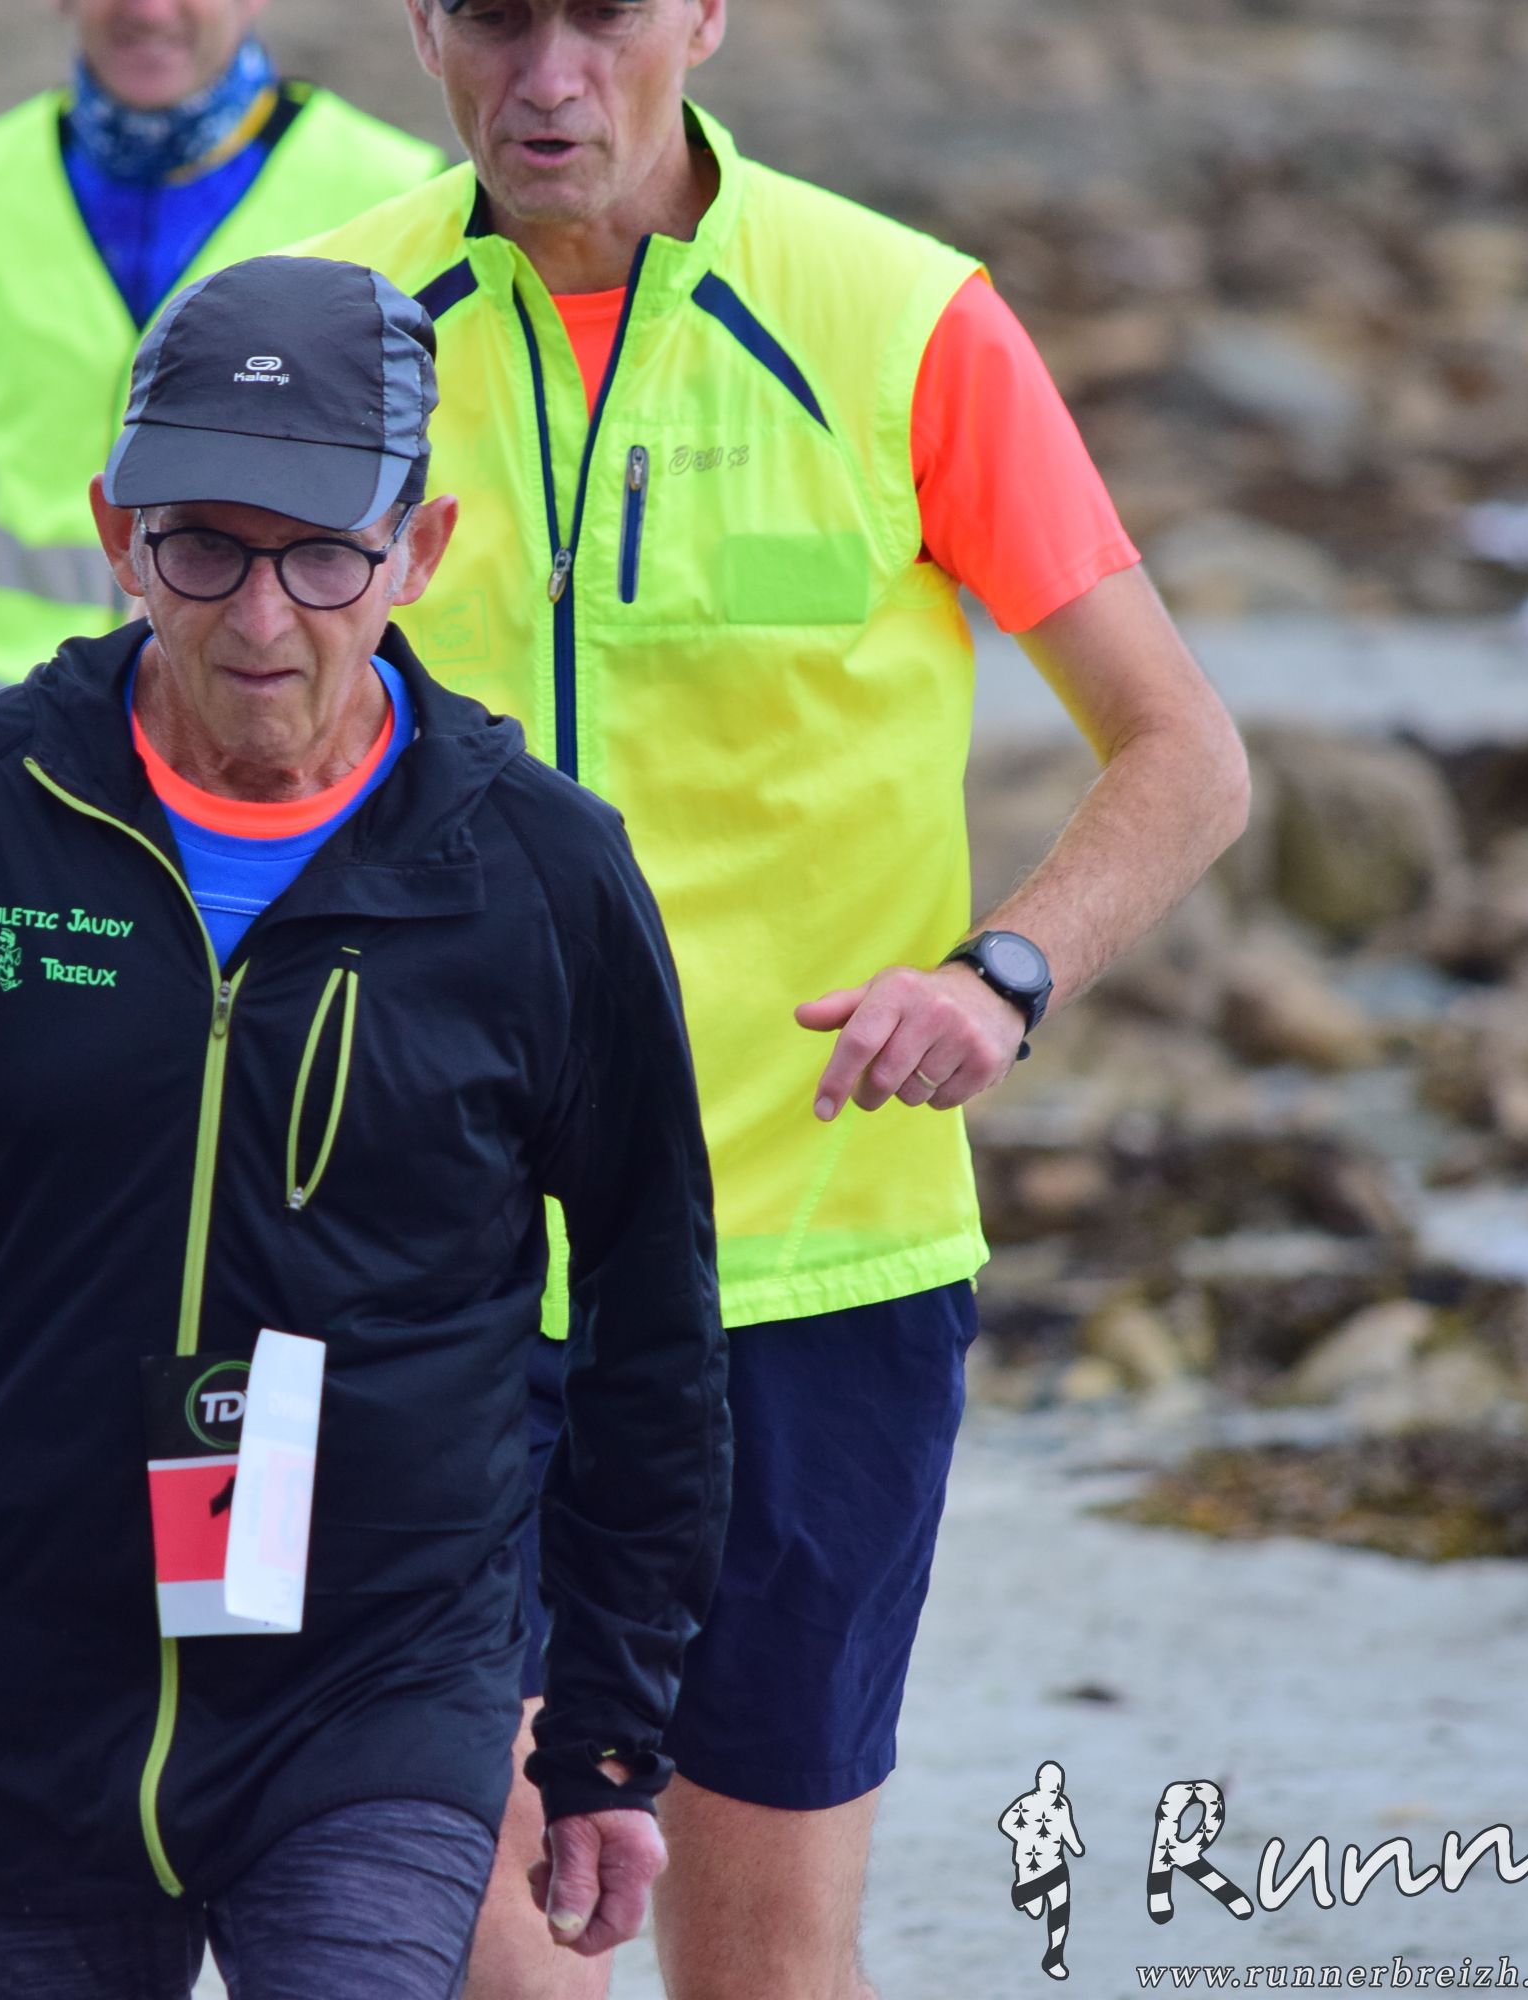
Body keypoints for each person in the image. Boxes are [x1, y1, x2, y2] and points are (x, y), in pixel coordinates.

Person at [299, 6, 1252, 1997]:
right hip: (417, 1280)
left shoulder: (903, 321)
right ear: (420, 23)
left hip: (809, 1275)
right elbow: (186, 738)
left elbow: (1178, 756)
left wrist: (1000, 974)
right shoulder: (324, 325)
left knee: (762, 1964)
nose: (547, 76)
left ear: (702, 13)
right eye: (493, 14)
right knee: (460, 1937)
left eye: (601, 13)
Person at [0, 255, 731, 2000]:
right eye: (203, 547)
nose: (261, 618)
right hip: (25, 1679)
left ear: (421, 548)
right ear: (114, 532)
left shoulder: (537, 873)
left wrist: (606, 1734)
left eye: (324, 555)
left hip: (376, 1688)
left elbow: (652, 1320)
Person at [0, 0, 445, 735]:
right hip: (21, 705)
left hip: (279, 706)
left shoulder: (398, 190)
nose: (149, 9)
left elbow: (456, 469)